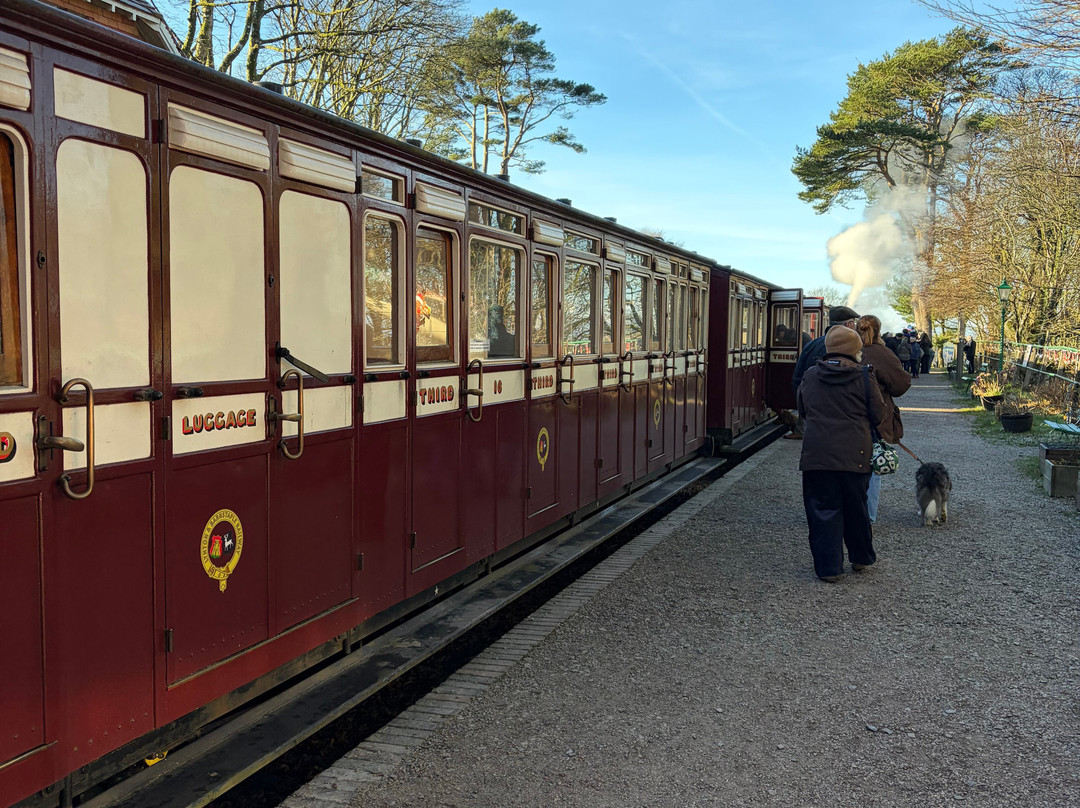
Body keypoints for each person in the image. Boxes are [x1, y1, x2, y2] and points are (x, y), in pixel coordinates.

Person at [797, 325, 885, 582]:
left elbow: (802, 409)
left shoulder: (811, 375)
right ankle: (860, 558)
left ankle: (829, 569)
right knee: (856, 508)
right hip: (855, 455)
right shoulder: (864, 377)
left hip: (817, 456)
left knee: (822, 510)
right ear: (855, 351)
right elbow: (878, 414)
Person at [856, 315, 911, 524]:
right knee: (873, 464)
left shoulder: (849, 351)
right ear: (879, 331)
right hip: (876, 416)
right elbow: (901, 384)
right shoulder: (882, 353)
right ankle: (867, 516)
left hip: (846, 415)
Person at [791, 305, 859, 396]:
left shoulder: (811, 345)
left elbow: (797, 379)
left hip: (812, 404)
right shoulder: (851, 348)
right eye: (853, 323)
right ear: (848, 325)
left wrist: (803, 405)